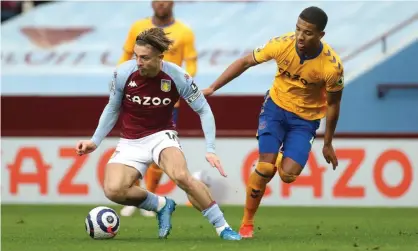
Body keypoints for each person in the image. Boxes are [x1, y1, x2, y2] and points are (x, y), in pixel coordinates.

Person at [75, 28, 241, 241]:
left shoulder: (178, 76)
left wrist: (210, 149)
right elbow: (112, 108)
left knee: (181, 176)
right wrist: (94, 141)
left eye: (144, 57)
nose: (138, 62)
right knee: (113, 190)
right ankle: (161, 205)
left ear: (160, 57)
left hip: (162, 136)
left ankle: (223, 228)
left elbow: (204, 109)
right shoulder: (123, 74)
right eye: (136, 56)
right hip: (130, 141)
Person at [203, 6, 344, 238]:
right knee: (266, 167)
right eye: (298, 29)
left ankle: (278, 158)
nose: (300, 36)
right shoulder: (281, 44)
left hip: (305, 120)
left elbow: (333, 104)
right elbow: (245, 62)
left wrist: (328, 143)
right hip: (275, 109)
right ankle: (247, 223)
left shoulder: (331, 67)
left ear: (321, 35)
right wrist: (214, 87)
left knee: (288, 175)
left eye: (308, 32)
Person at [118, 0, 198, 217]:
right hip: (139, 98)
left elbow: (191, 63)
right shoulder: (137, 28)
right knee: (134, 147)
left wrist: (182, 84)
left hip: (167, 101)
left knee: (159, 151)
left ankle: (150, 197)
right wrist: (121, 82)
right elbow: (125, 58)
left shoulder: (184, 32)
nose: (161, 3)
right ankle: (134, 196)